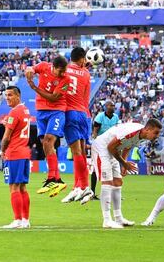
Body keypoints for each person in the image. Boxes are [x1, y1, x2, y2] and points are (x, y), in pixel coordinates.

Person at [92, 119, 162, 229]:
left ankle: (118, 218)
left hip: (112, 150)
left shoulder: (141, 136)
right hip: (102, 148)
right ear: (147, 129)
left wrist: (124, 164)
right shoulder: (132, 131)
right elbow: (110, 147)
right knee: (108, 182)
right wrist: (124, 163)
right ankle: (106, 220)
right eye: (156, 132)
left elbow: (127, 148)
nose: (157, 136)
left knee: (118, 182)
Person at [25, 55, 70, 197]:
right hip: (41, 111)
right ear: (53, 67)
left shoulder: (66, 79)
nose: (63, 73)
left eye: (64, 70)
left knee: (49, 140)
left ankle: (51, 178)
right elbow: (32, 68)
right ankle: (58, 180)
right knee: (44, 143)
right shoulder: (44, 66)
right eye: (60, 71)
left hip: (57, 111)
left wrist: (34, 87)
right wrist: (29, 70)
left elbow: (53, 97)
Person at [61, 47, 93, 203]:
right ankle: (77, 187)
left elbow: (62, 90)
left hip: (70, 112)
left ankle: (85, 187)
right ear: (81, 58)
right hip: (83, 113)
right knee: (80, 152)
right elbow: (86, 97)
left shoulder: (65, 70)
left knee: (76, 152)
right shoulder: (86, 73)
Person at [0, 86, 33, 229]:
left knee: (13, 187)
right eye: (6, 95)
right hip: (24, 152)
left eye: (10, 95)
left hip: (14, 153)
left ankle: (17, 220)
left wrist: (2, 150)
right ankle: (25, 220)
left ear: (18, 96)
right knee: (22, 187)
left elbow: (6, 137)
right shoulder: (25, 110)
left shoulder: (14, 112)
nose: (7, 98)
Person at [82, 101, 121, 204]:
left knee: (113, 167)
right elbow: (95, 130)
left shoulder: (116, 117)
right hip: (100, 144)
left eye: (113, 105)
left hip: (111, 144)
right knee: (96, 168)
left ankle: (114, 194)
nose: (112, 107)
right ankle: (92, 192)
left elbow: (118, 130)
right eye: (110, 105)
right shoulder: (100, 116)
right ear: (106, 107)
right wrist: (94, 140)